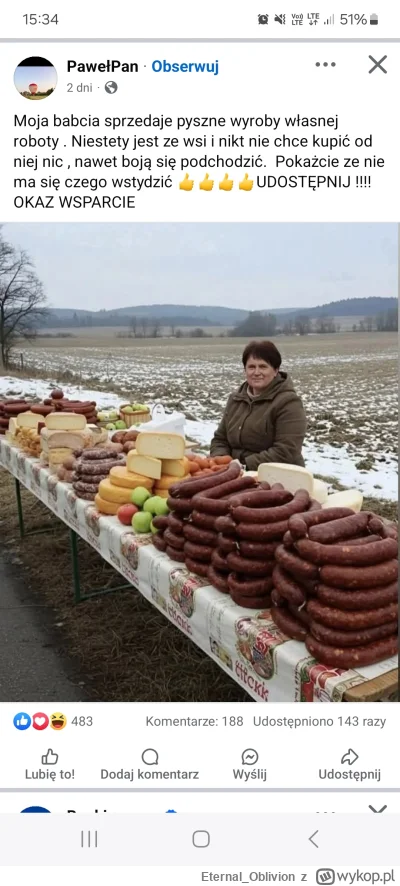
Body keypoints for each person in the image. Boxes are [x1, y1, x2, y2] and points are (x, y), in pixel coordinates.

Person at [210, 340, 307, 470]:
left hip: (277, 475)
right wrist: (221, 460)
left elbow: (286, 451)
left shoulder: (289, 403)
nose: (256, 372)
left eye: (263, 366)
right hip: (233, 473)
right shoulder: (235, 399)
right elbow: (220, 439)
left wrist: (244, 466)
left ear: (276, 370)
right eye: (251, 367)